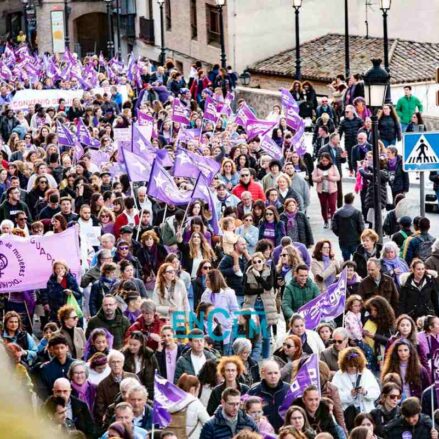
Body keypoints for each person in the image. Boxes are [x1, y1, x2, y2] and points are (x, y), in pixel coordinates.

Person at [331, 347, 380, 424]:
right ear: (345, 364)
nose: (353, 368)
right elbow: (335, 396)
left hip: (366, 413)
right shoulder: (338, 376)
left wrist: (365, 392)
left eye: (355, 365)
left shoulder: (366, 373)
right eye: (350, 365)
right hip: (348, 415)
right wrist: (350, 395)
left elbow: (376, 392)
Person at [243, 252, 277, 359]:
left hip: (266, 305)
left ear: (263, 261)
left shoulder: (269, 270)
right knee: (252, 333)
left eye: (259, 261)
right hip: (253, 305)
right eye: (254, 262)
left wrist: (259, 277)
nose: (257, 264)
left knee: (265, 333)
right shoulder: (248, 272)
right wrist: (260, 290)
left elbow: (268, 286)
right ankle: (252, 356)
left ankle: (266, 357)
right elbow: (246, 290)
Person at [200, 269, 239, 355]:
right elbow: (202, 310)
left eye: (207, 280)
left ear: (214, 281)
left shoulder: (228, 293)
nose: (205, 282)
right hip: (210, 330)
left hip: (225, 329)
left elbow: (236, 311)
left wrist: (227, 321)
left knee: (225, 353)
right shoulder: (206, 294)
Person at [94, 350, 139, 424]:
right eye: (113, 362)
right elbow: (100, 408)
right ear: (109, 364)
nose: (116, 365)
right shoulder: (103, 384)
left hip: (135, 417)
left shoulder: (133, 378)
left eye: (118, 362)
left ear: (123, 363)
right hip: (114, 419)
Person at [247, 360, 290, 432]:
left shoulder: (289, 389)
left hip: (285, 433)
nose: (273, 376)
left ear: (279, 373)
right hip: (262, 433)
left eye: (276, 373)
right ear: (263, 374)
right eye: (269, 373)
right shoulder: (254, 391)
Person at [121, 331, 158, 397]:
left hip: (148, 391)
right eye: (130, 344)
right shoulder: (124, 355)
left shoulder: (150, 356)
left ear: (141, 344)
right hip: (129, 391)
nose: (131, 347)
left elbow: (157, 373)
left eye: (135, 345)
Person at [332, 192, 365, 261]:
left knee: (346, 259)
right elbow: (361, 227)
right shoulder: (357, 212)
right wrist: (360, 235)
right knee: (357, 259)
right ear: (352, 200)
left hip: (343, 239)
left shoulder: (337, 212)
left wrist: (339, 234)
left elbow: (334, 226)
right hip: (355, 239)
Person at [312, 152, 340, 228]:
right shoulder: (317, 167)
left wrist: (330, 177)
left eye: (326, 160)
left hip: (332, 190)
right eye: (323, 160)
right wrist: (320, 178)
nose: (324, 162)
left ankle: (333, 222)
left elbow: (338, 177)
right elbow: (313, 178)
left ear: (329, 160)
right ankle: (326, 221)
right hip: (322, 190)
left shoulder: (333, 167)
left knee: (332, 205)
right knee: (324, 206)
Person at [338, 105, 364, 175]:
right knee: (349, 156)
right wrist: (338, 141)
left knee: (358, 155)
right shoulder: (343, 121)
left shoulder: (359, 120)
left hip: (357, 140)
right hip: (348, 140)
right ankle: (351, 170)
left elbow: (363, 129)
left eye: (347, 112)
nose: (346, 113)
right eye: (345, 112)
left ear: (352, 112)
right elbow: (339, 132)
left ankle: (358, 170)